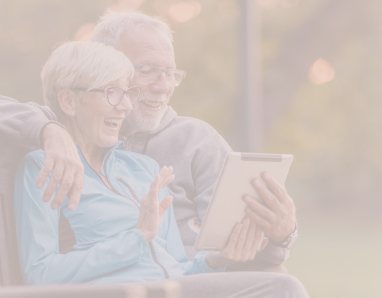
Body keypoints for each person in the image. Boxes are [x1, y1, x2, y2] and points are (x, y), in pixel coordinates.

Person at [0, 10, 297, 267]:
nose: (162, 86)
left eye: (170, 73)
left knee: (279, 283)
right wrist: (49, 131)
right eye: (146, 71)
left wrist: (280, 237)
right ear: (104, 65)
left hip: (198, 278)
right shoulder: (66, 121)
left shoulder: (196, 140)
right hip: (117, 284)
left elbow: (239, 248)